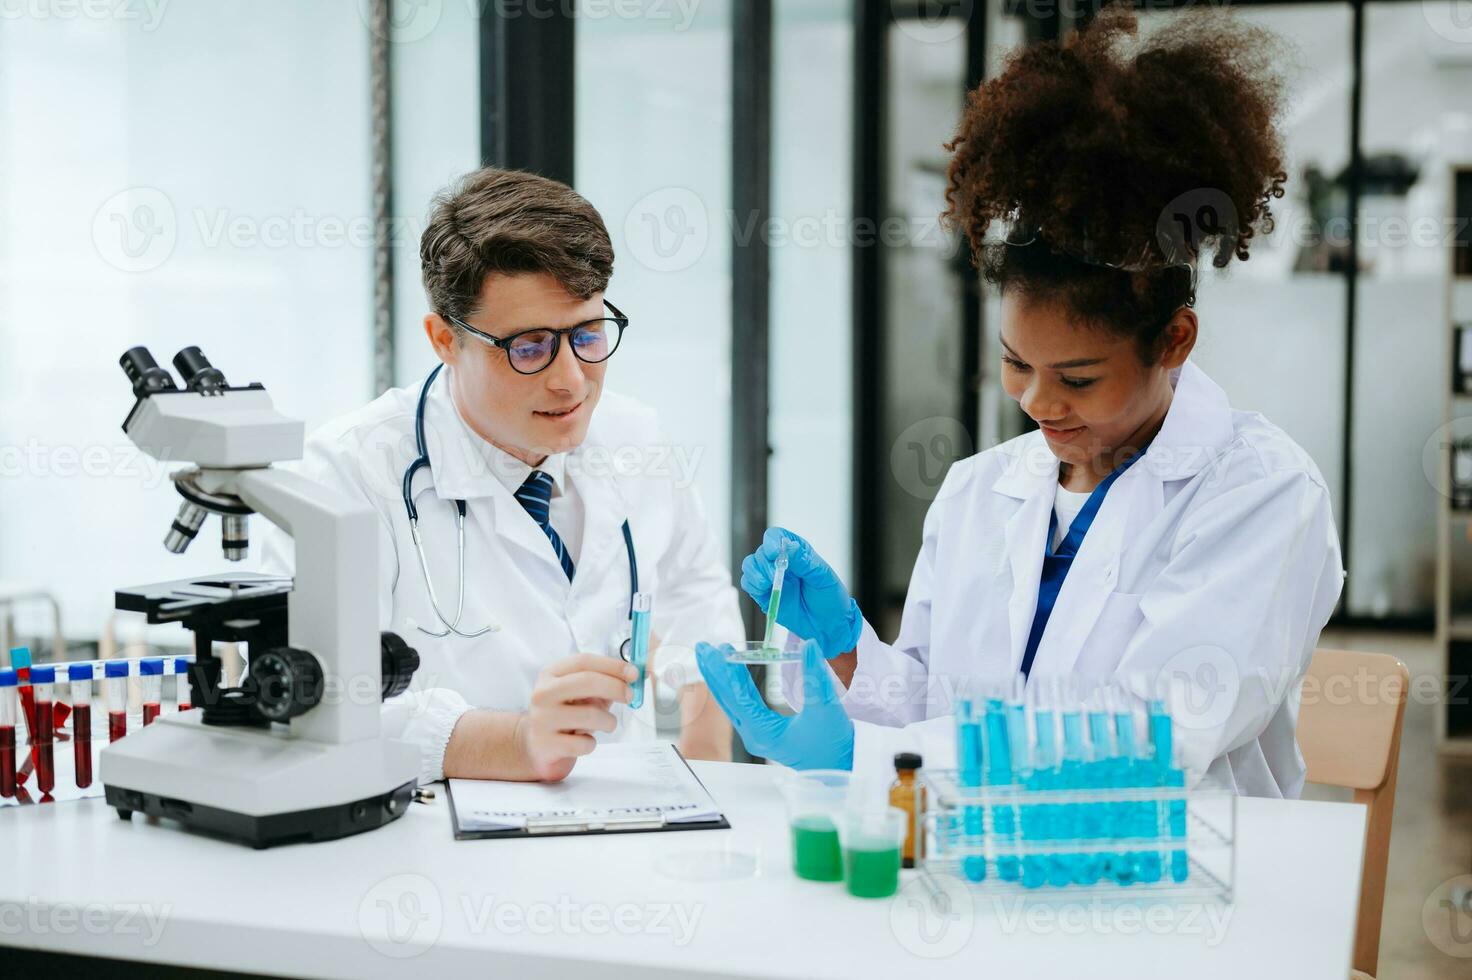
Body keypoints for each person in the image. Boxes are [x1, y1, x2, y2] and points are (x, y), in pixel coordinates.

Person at [696, 9, 1345, 798]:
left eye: (1076, 379)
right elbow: (934, 708)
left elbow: (1151, 741)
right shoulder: (980, 489)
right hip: (980, 870)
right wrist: (847, 650)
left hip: (1173, 892)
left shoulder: (1261, 494)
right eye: (1015, 364)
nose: (1039, 404)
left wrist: (860, 759)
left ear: (1174, 339)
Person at [263, 167, 739, 784]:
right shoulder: (348, 475)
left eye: (588, 334)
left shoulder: (635, 438)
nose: (570, 379)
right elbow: (311, 703)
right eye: (530, 346)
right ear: (443, 339)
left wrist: (708, 769)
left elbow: (696, 597)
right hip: (434, 845)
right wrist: (515, 743)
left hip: (627, 818)